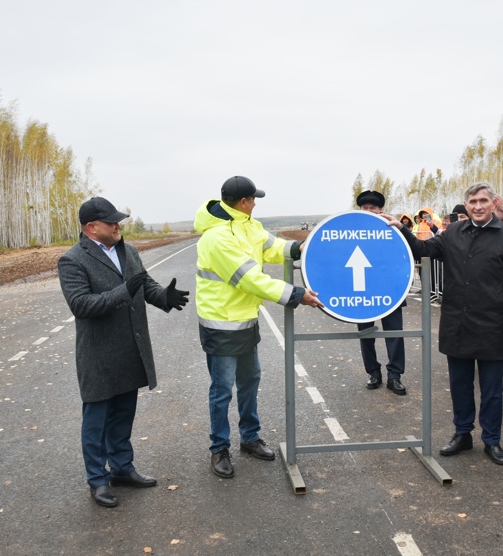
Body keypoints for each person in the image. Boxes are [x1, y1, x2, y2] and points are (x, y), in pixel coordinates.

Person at [58, 196, 190, 508]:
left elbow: (145, 287)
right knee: (96, 423)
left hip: (131, 349)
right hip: (99, 355)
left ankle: (121, 469)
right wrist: (125, 290)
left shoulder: (128, 250)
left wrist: (165, 298)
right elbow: (82, 305)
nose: (119, 225)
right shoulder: (73, 260)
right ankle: (98, 480)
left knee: (122, 417)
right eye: (112, 221)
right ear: (92, 227)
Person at [386, 182, 503, 465]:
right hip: (457, 323)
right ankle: (462, 433)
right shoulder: (452, 232)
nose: (477, 206)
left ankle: (492, 440)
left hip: (492, 323)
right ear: (466, 204)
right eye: (472, 201)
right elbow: (423, 249)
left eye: (483, 201)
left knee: (491, 390)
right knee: (460, 385)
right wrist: (400, 228)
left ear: (493, 203)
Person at [195, 175, 322, 478]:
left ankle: (249, 438)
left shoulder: (249, 225)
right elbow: (249, 278)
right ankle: (219, 448)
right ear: (243, 202)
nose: (255, 203)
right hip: (221, 325)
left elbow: (273, 247)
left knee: (250, 381)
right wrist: (295, 294)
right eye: (253, 199)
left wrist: (303, 247)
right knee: (222, 389)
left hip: (246, 322)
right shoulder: (216, 237)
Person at [355, 190, 407, 395]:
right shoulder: (353, 229)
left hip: (390, 291)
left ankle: (394, 376)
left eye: (373, 208)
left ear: (381, 210)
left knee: (395, 334)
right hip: (361, 293)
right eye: (365, 208)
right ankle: (373, 373)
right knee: (366, 335)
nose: (369, 211)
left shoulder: (393, 229)